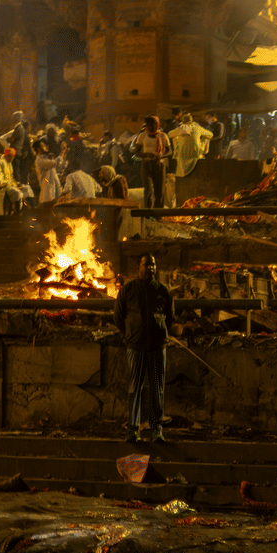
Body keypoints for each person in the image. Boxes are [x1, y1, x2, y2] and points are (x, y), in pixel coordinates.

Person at [116, 253, 174, 442]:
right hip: (136, 345)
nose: (150, 268)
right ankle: (133, 429)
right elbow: (118, 316)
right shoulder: (128, 290)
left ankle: (156, 429)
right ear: (139, 268)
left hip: (157, 346)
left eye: (153, 265)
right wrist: (128, 335)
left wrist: (160, 332)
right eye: (146, 264)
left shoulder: (163, 291)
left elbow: (170, 317)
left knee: (157, 388)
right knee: (135, 388)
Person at [133, 116, 169, 209]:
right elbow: (136, 152)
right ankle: (148, 214)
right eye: (147, 125)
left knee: (159, 191)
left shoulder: (163, 136)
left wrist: (161, 156)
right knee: (148, 190)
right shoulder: (142, 136)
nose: (149, 127)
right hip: (146, 164)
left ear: (157, 125)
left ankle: (158, 214)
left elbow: (170, 151)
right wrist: (147, 155)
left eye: (152, 124)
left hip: (159, 165)